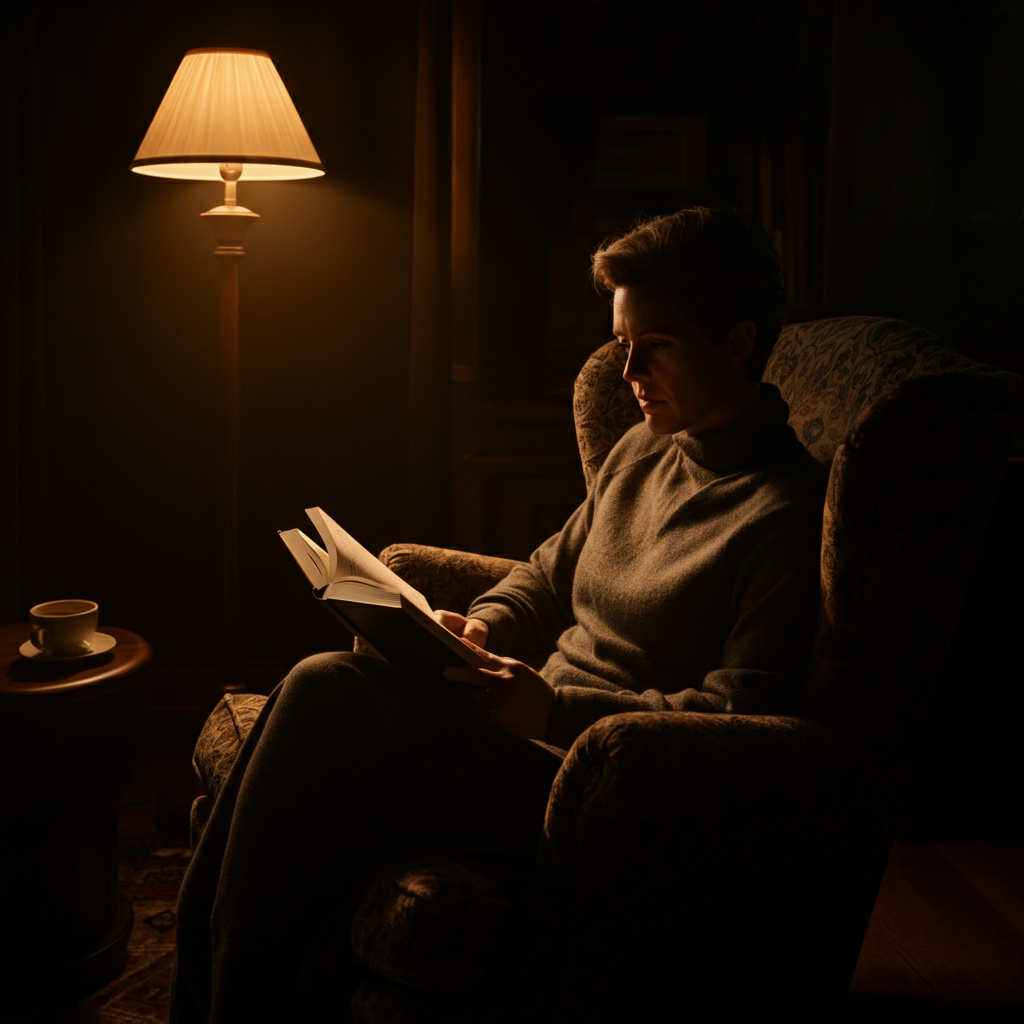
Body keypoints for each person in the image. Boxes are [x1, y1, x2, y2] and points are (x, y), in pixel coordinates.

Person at [170, 206, 824, 1022]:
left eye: (655, 346)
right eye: (622, 345)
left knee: (304, 776)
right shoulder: (646, 447)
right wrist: (483, 624)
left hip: (588, 780)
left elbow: (741, 714)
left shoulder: (785, 515)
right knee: (322, 684)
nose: (630, 375)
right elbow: (549, 574)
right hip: (509, 714)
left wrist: (555, 709)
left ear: (736, 341)